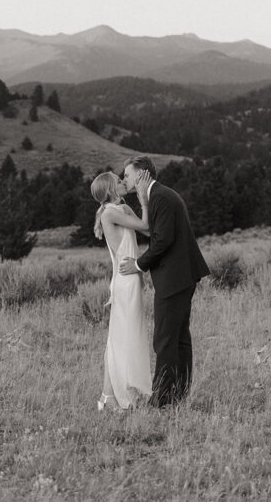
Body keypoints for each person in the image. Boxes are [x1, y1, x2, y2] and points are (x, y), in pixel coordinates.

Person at [119, 155, 209, 408]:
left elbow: (162, 240)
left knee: (165, 339)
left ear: (141, 174)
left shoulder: (160, 197)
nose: (124, 179)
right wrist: (141, 201)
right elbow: (156, 232)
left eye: (127, 175)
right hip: (180, 275)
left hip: (175, 276)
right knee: (178, 338)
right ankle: (178, 394)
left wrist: (137, 265)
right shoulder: (158, 195)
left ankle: (162, 399)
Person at [91, 170, 153, 410]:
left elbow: (146, 231)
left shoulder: (121, 210)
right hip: (125, 279)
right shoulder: (108, 213)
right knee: (120, 339)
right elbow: (146, 224)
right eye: (118, 181)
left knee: (124, 337)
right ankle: (111, 396)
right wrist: (144, 200)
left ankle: (111, 396)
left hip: (131, 277)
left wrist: (135, 207)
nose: (122, 181)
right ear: (110, 189)